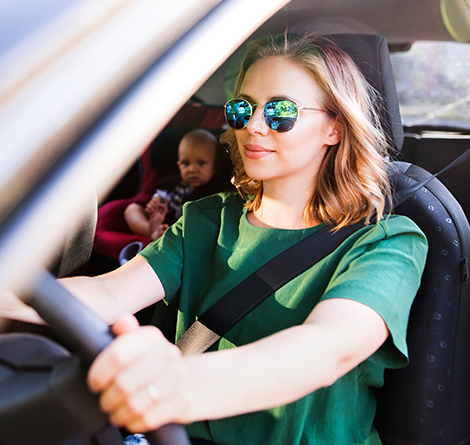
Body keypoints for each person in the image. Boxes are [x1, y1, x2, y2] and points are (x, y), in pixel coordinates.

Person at [1, 32, 427, 445]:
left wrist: (175, 385)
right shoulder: (205, 219)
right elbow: (107, 295)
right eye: (243, 109)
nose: (254, 126)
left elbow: (326, 349)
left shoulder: (389, 242)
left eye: (281, 111)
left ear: (334, 127)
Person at [124, 129, 219, 240]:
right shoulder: (175, 185)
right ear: (178, 165)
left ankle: (164, 236)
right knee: (132, 209)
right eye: (186, 163)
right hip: (164, 223)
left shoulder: (216, 192)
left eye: (201, 163)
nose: (192, 169)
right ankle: (150, 231)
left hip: (188, 232)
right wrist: (154, 207)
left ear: (215, 167)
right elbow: (162, 200)